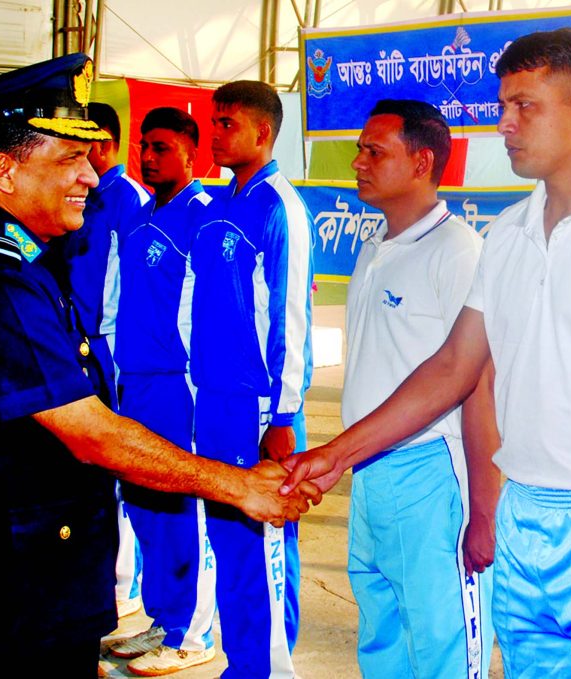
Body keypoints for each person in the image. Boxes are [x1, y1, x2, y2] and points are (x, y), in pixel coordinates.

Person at [283, 28, 571, 679]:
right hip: (525, 515)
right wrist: (334, 454)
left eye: (524, 106)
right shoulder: (509, 235)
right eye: (501, 106)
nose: (504, 125)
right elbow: (451, 367)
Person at [0, 54, 320, 679]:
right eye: (69, 159)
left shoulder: (28, 262)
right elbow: (89, 433)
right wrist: (238, 485)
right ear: (5, 171)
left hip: (27, 596)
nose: (93, 176)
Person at [340, 98, 498, 679]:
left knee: (442, 646)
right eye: (360, 149)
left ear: (421, 161)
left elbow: (481, 384)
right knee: (381, 632)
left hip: (430, 473)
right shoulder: (373, 247)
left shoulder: (459, 252)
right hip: (370, 471)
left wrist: (484, 510)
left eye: (373, 151)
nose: (357, 162)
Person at [186, 80, 313, 678]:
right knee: (226, 542)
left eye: (226, 124)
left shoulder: (278, 206)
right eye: (213, 122)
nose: (214, 134)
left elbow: (290, 315)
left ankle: (270, 670)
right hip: (211, 399)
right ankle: (241, 664)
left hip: (257, 407)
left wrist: (282, 415)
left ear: (263, 133)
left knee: (263, 548)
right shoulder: (217, 207)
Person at [107, 106, 218, 676]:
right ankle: (161, 617)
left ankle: (192, 633)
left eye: (163, 148)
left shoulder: (203, 216)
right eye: (144, 148)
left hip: (181, 388)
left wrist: (202, 387)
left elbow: (209, 313)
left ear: (191, 155)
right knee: (144, 503)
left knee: (182, 506)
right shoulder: (142, 216)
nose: (149, 158)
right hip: (136, 381)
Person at [62, 100, 150, 620]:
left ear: (102, 142)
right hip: (82, 342)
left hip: (112, 349)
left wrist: (113, 351)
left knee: (121, 468)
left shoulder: (127, 198)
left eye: (81, 143)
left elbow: (127, 287)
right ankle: (109, 574)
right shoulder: (87, 196)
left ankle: (127, 581)